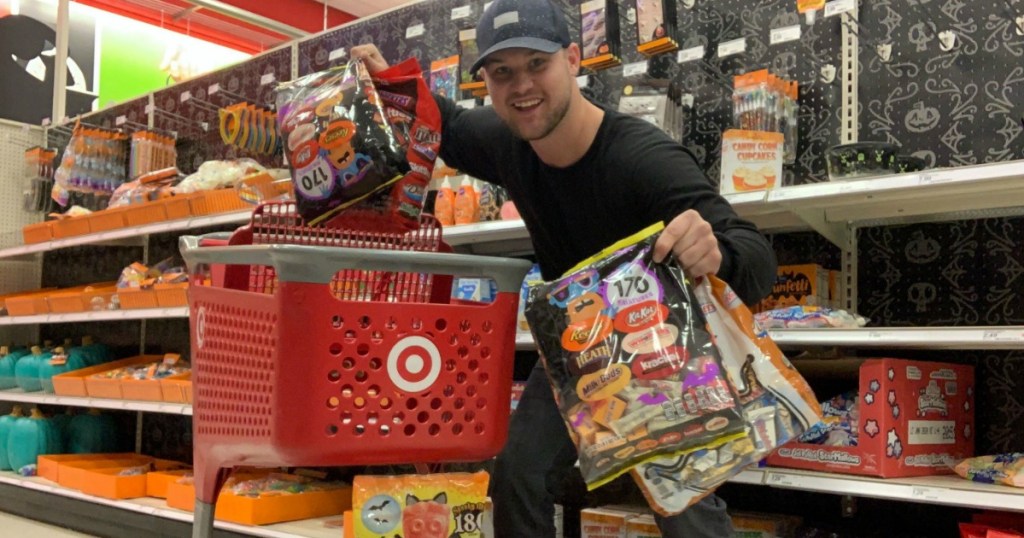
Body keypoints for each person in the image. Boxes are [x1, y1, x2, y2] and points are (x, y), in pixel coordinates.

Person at [353, 0, 776, 535]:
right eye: (502, 72)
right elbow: (452, 126)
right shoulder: (508, 141)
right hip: (575, 340)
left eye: (537, 64)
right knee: (517, 474)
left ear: (573, 59)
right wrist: (390, 82)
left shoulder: (641, 158)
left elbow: (755, 255)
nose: (521, 85)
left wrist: (718, 253)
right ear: (487, 82)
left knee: (680, 496)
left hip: (662, 345)